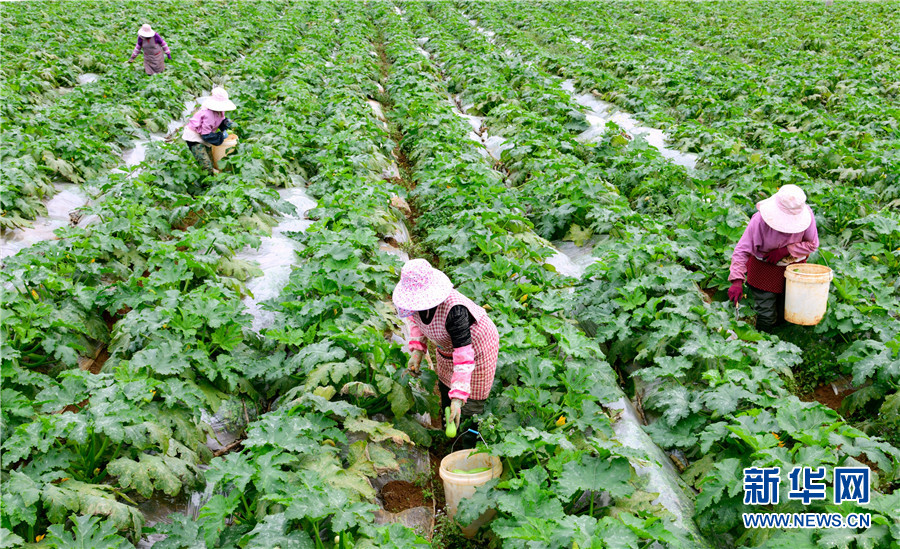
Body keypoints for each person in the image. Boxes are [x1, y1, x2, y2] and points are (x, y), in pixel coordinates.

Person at [393, 259, 499, 446]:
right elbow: (417, 322)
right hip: (448, 350)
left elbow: (464, 359)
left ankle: (466, 445)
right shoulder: (415, 306)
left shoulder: (455, 312)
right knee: (445, 388)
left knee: (469, 406)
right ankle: (448, 437)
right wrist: (417, 350)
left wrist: (458, 399)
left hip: (477, 348)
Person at [728, 185, 819, 331]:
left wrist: (786, 250)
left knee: (788, 309)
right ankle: (763, 341)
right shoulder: (760, 221)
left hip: (793, 268)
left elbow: (812, 244)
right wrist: (737, 280)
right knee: (766, 313)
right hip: (763, 269)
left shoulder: (806, 215)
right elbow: (743, 249)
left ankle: (783, 339)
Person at [181, 87, 237, 174]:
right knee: (206, 165)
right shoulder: (208, 114)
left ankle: (211, 176)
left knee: (211, 161)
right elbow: (206, 135)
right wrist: (220, 137)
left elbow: (220, 120)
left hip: (205, 135)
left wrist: (224, 123)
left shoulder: (220, 111)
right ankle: (207, 183)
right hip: (194, 137)